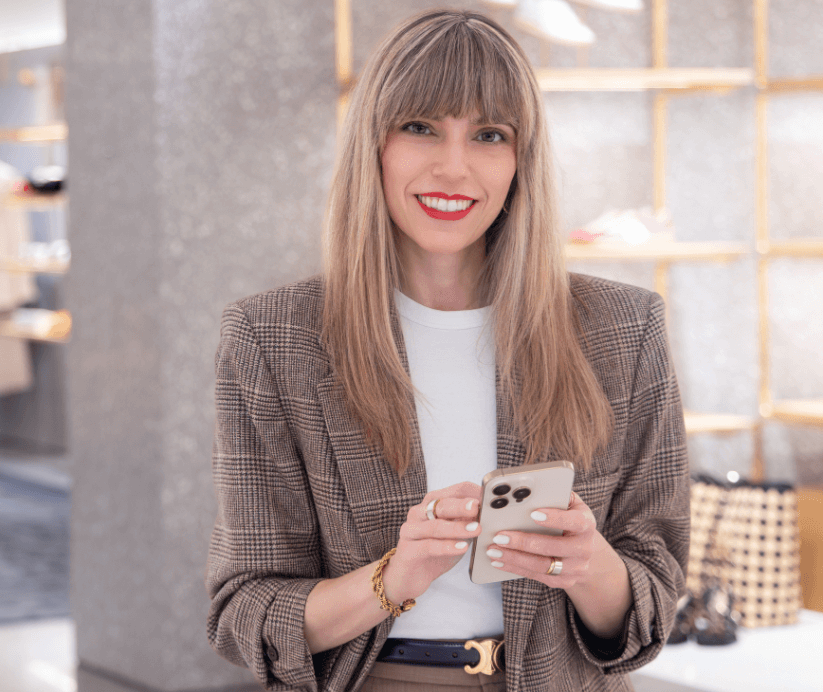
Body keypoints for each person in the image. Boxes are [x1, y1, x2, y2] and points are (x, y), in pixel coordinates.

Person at [205, 9, 688, 692]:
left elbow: (654, 601)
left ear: (521, 159)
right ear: (374, 143)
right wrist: (391, 578)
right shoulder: (273, 337)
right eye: (421, 127)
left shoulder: (622, 329)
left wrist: (591, 567)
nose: (454, 167)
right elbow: (243, 612)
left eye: (489, 134)